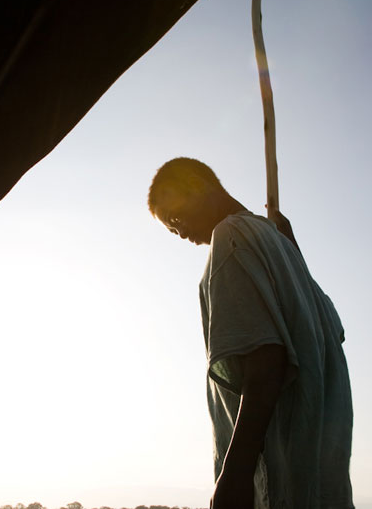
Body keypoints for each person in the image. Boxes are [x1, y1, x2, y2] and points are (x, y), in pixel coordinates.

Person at [147, 157, 354, 509]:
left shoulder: (231, 240)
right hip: (320, 484)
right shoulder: (280, 249)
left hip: (279, 483)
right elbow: (327, 335)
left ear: (197, 186)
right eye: (171, 229)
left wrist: (236, 475)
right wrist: (293, 251)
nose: (180, 233)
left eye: (176, 219)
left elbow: (266, 362)